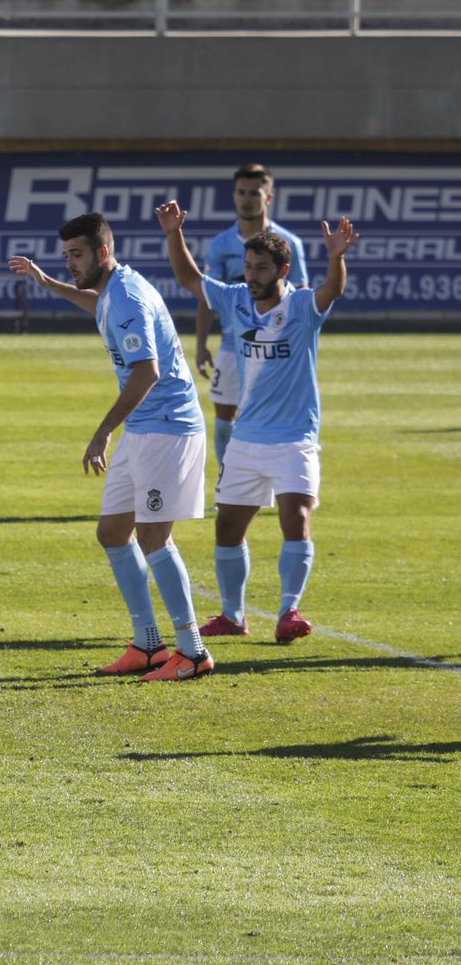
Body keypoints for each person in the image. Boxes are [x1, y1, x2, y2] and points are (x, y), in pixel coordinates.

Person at [7, 213, 214, 682]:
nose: (71, 263)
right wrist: (48, 282)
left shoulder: (128, 299)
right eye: (66, 256)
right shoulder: (113, 289)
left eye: (76, 255)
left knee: (155, 538)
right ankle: (147, 644)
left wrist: (102, 432)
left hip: (167, 428)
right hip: (142, 428)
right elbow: (93, 301)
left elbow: (147, 371)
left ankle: (193, 651)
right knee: (113, 533)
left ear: (102, 252)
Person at [158, 200, 359, 644]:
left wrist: (336, 259)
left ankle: (289, 609)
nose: (251, 275)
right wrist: (174, 234)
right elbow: (190, 279)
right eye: (248, 266)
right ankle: (232, 615)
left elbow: (332, 292)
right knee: (228, 526)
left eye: (261, 268)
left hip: (293, 438)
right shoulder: (234, 300)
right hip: (247, 438)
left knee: (295, 515)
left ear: (282, 270)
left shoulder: (304, 307)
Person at [196, 165, 311, 469]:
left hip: (277, 349)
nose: (247, 200)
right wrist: (201, 344)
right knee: (224, 418)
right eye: (241, 192)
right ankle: (227, 482)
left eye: (254, 193)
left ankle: (276, 480)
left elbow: (303, 299)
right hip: (233, 346)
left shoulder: (289, 244)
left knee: (275, 417)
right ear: (233, 196)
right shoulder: (220, 245)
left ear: (268, 197)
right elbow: (207, 296)